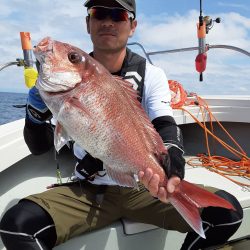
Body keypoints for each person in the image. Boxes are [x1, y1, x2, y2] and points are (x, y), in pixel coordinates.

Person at [0, 0, 243, 249]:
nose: (108, 21)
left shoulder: (151, 74)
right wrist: (35, 113)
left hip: (142, 189)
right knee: (18, 225)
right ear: (88, 23)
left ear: (132, 25)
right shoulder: (62, 91)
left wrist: (172, 171)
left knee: (227, 213)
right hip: (89, 191)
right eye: (99, 13)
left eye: (118, 15)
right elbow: (39, 147)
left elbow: (165, 123)